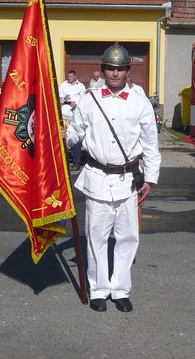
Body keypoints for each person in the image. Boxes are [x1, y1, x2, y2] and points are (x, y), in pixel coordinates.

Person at [66, 42, 161, 313]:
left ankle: (120, 289)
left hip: (127, 180)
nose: (115, 74)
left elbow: (151, 145)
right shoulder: (89, 99)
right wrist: (55, 132)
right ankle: (98, 289)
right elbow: (73, 134)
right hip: (96, 177)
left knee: (128, 237)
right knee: (95, 237)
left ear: (128, 70)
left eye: (120, 69)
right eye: (110, 68)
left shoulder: (141, 103)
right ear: (103, 70)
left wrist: (150, 179)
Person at [59, 70, 86, 171]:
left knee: (75, 137)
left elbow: (84, 99)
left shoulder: (81, 86)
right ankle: (62, 160)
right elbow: (58, 96)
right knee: (63, 137)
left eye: (71, 76)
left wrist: (77, 103)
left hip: (75, 115)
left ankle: (77, 162)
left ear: (75, 76)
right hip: (64, 113)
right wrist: (64, 98)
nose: (69, 78)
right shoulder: (63, 85)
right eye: (68, 76)